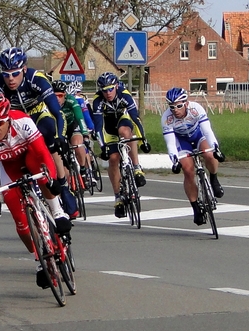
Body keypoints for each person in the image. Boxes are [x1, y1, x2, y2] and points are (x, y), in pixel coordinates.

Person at [0, 93, 71, 289]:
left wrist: (52, 181)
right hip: (8, 167)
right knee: (20, 221)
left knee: (41, 171)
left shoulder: (23, 121)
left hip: (30, 156)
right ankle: (39, 260)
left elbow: (43, 153)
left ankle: (57, 211)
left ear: (8, 119)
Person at [0, 47, 74, 217]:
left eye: (15, 73)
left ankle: (62, 185)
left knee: (49, 138)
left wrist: (60, 137)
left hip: (39, 115)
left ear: (24, 69)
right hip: (17, 122)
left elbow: (57, 112)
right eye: (6, 74)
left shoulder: (36, 79)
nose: (10, 79)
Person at [162, 87, 225, 225]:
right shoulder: (167, 118)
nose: (175, 110)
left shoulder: (196, 108)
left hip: (198, 135)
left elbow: (207, 131)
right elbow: (171, 144)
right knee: (188, 170)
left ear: (186, 103)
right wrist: (174, 160)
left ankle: (214, 179)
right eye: (171, 107)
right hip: (182, 141)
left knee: (209, 154)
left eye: (178, 106)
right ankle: (196, 208)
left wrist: (216, 148)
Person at [91, 72, 150, 218]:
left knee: (125, 132)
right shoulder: (98, 100)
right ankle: (118, 197)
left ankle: (136, 168)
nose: (108, 93)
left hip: (123, 121)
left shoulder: (124, 94)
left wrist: (144, 140)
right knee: (113, 158)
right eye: (104, 90)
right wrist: (103, 147)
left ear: (116, 86)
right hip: (109, 128)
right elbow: (98, 126)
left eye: (110, 89)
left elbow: (136, 119)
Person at [52, 80, 90, 184]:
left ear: (65, 95)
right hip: (59, 129)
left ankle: (83, 168)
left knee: (77, 145)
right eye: (54, 95)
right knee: (62, 157)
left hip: (72, 126)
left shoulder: (71, 100)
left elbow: (80, 117)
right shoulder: (49, 103)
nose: (57, 99)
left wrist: (85, 134)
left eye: (60, 95)